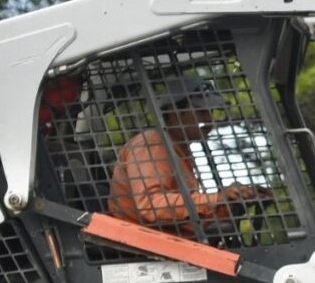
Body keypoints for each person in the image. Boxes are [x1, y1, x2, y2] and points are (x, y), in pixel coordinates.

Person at [108, 74, 265, 231]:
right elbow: (150, 205)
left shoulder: (180, 150)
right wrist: (217, 199)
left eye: (211, 112)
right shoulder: (153, 143)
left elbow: (188, 214)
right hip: (145, 244)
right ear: (174, 111)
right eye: (202, 112)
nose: (210, 121)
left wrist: (233, 203)